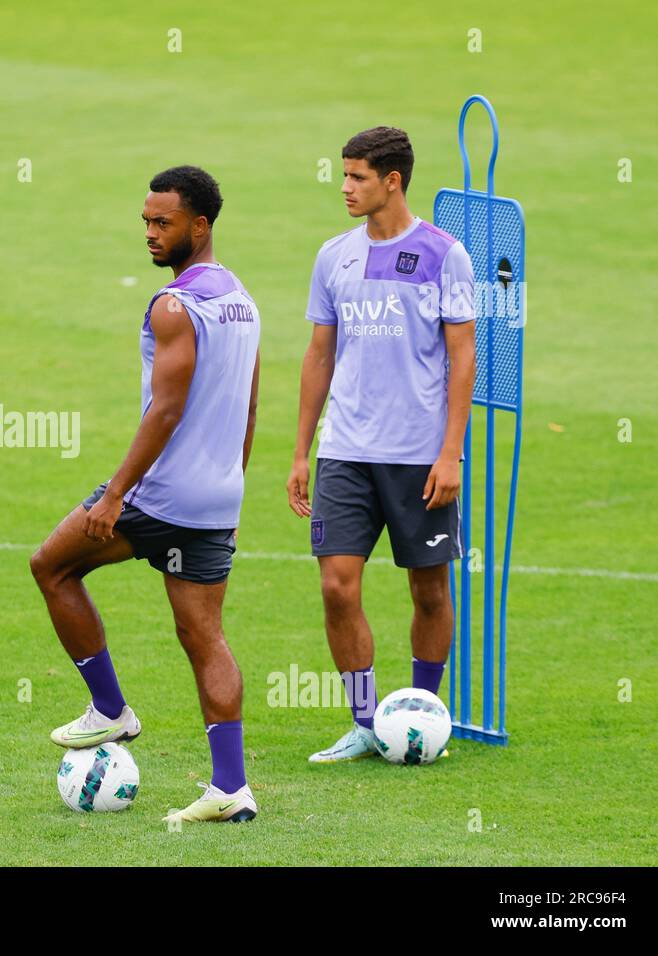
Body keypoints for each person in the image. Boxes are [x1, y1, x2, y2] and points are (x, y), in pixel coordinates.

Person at [30, 166, 262, 823]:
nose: (152, 234)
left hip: (159, 496)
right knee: (205, 636)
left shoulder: (174, 305)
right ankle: (230, 790)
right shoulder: (243, 300)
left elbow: (165, 409)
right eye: (146, 222)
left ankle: (110, 709)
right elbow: (248, 406)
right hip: (216, 499)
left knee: (52, 565)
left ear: (201, 225)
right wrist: (233, 492)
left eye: (163, 223)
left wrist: (115, 496)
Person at [287, 127, 475, 762]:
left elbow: (462, 357)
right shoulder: (332, 255)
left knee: (428, 590)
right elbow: (319, 356)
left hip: (419, 456)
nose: (345, 187)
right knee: (338, 586)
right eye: (344, 175)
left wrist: (450, 452)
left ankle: (424, 716)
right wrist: (300, 452)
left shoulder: (445, 255)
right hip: (345, 451)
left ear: (392, 181)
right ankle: (367, 723)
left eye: (357, 177)